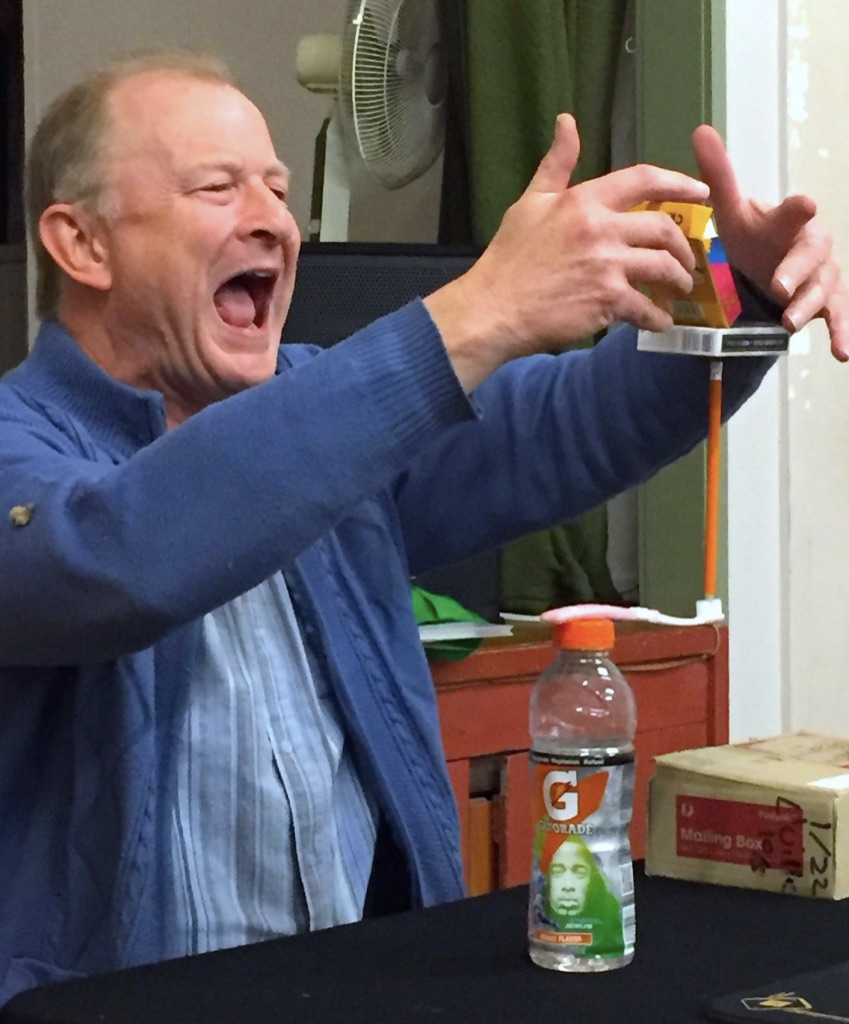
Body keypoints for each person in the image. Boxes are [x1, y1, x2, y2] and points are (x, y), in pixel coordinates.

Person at [0, 47, 846, 1005]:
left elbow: (569, 423)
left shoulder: (334, 421)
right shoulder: (17, 448)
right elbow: (118, 556)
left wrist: (744, 297)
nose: (274, 219)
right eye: (216, 187)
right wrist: (476, 311)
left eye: (277, 188)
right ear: (82, 244)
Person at [540, 836, 625, 957]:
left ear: (593, 880)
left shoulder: (610, 918)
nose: (568, 886)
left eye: (579, 872)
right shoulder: (539, 917)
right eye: (557, 871)